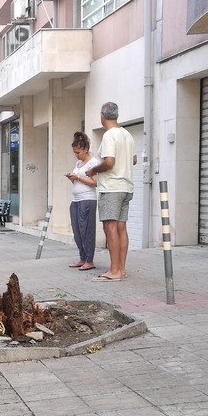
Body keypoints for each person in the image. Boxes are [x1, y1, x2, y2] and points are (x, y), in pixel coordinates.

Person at [85, 101, 136, 282]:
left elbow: (109, 162)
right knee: (121, 227)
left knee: (110, 227)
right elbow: (134, 159)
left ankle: (114, 271)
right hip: (126, 186)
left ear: (102, 116)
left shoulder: (109, 135)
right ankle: (121, 269)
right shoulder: (127, 135)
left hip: (112, 188)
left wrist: (93, 171)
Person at [65, 131, 99, 272]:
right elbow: (78, 180)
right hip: (76, 199)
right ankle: (82, 257)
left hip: (87, 199)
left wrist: (78, 178)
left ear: (85, 149)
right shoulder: (78, 162)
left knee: (87, 230)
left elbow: (94, 182)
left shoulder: (93, 162)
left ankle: (89, 260)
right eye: (74, 152)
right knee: (77, 230)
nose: (76, 155)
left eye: (78, 152)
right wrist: (72, 177)